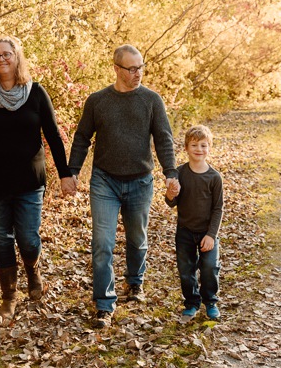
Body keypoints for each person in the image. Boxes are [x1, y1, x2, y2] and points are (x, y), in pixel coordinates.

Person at [0, 36, 76, 319]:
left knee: (28, 238)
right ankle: (9, 295)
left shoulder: (36, 93)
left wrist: (65, 174)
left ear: (17, 57)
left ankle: (33, 271)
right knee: (1, 239)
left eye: (7, 54)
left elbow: (53, 137)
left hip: (29, 180)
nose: (1, 59)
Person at [68, 44, 178, 329]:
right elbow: (82, 138)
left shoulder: (152, 100)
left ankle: (135, 283)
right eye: (131, 68)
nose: (137, 73)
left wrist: (170, 172)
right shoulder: (98, 101)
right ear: (116, 69)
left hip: (141, 180)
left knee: (137, 238)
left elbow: (164, 138)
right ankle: (104, 305)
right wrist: (72, 172)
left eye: (140, 67)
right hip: (105, 180)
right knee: (102, 243)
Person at [165, 125, 224, 322]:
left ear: (209, 148)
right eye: (194, 145)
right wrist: (170, 194)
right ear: (186, 148)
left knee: (209, 268)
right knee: (186, 270)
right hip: (185, 232)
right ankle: (191, 303)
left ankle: (210, 302)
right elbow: (171, 202)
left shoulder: (214, 177)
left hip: (207, 232)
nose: (199, 149)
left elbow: (218, 209)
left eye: (203, 145)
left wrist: (211, 235)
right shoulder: (179, 173)